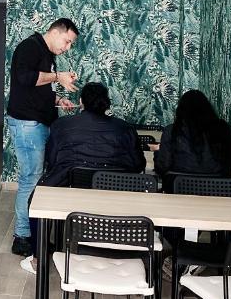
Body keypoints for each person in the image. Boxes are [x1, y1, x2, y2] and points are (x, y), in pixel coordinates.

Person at [20, 82, 144, 274]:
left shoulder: (61, 125)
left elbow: (51, 160)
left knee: (35, 200)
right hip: (114, 195)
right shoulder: (125, 128)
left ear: (81, 101)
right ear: (107, 103)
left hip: (70, 188)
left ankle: (38, 259)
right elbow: (138, 164)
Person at [7, 18, 79, 257]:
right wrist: (58, 76)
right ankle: (23, 238)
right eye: (67, 41)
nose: (67, 47)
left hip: (38, 123)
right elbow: (25, 79)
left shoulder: (46, 54)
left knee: (36, 178)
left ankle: (32, 234)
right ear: (55, 32)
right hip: (28, 125)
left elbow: (37, 89)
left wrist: (58, 100)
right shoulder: (30, 47)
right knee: (30, 179)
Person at [154, 89, 231, 189]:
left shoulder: (172, 131)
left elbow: (163, 166)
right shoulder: (222, 129)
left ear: (180, 109)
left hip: (179, 188)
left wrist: (157, 154)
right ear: (207, 108)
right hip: (218, 188)